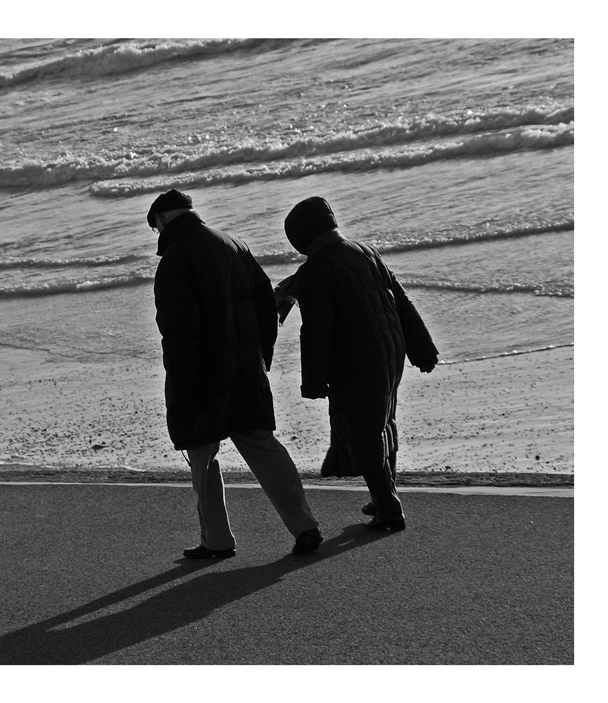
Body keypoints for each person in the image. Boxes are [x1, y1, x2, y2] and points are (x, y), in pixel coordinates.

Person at [148, 189, 322, 559]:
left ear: (162, 221)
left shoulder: (175, 260)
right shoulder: (236, 245)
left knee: (203, 459)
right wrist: (261, 359)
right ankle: (305, 525)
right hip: (245, 369)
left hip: (203, 377)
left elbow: (178, 334)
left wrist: (182, 390)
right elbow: (266, 310)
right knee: (264, 448)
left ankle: (217, 540)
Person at [276, 196, 439, 531]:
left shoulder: (315, 271)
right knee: (382, 423)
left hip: (355, 359)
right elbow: (402, 302)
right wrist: (422, 349)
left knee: (363, 431)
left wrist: (314, 382)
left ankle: (389, 507)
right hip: (388, 351)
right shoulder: (365, 252)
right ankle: (383, 497)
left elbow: (318, 331)